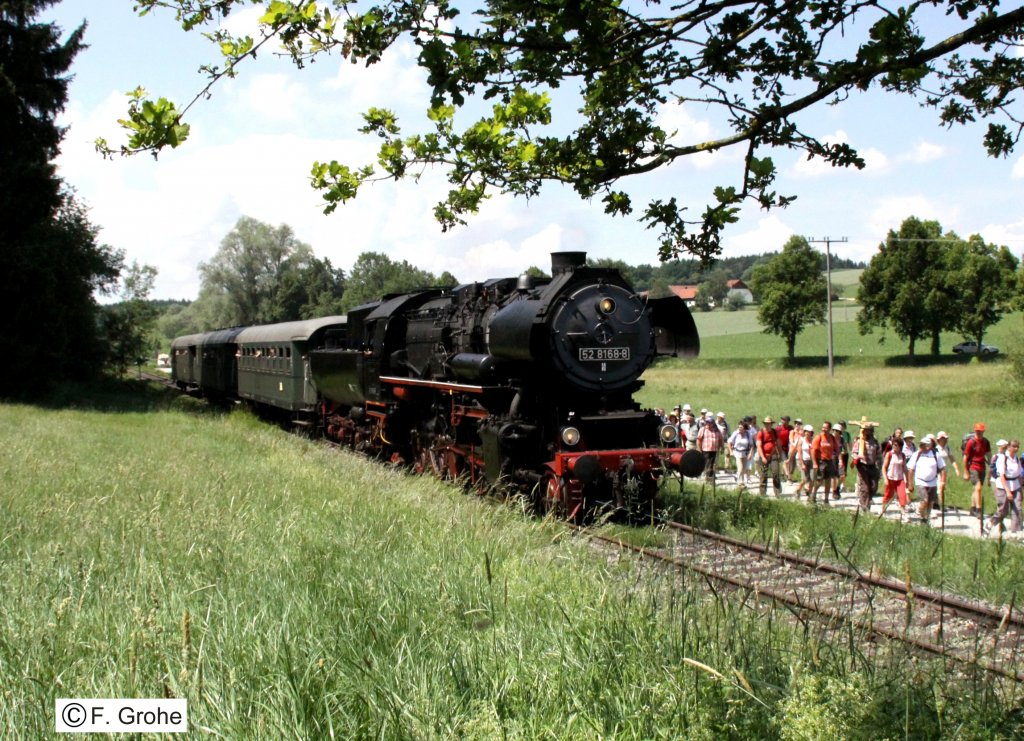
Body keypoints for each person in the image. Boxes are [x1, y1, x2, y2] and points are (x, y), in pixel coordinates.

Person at [907, 434, 946, 524]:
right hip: (920, 481)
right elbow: (910, 469)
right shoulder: (916, 454)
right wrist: (910, 483)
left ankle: (925, 519)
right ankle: (920, 514)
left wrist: (943, 481)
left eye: (923, 445)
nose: (921, 446)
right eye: (921, 444)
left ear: (929, 446)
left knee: (930, 502)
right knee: (925, 500)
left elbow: (942, 468)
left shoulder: (936, 455)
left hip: (932, 482)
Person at [850, 421, 882, 512]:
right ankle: (865, 506)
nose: (867, 432)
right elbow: (854, 453)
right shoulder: (859, 441)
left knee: (873, 487)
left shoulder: (875, 442)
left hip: (872, 466)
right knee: (865, 488)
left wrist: (879, 468)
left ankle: (867, 501)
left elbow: (879, 456)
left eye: (869, 430)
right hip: (862, 466)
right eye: (865, 430)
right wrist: (858, 457)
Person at [962, 422, 991, 517]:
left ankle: (972, 508)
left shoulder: (986, 442)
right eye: (978, 431)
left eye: (981, 431)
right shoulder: (971, 442)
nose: (979, 433)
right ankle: (979, 510)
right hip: (973, 467)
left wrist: (991, 465)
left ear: (983, 431)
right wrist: (965, 471)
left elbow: (988, 454)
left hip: (982, 467)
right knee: (978, 487)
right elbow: (965, 457)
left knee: (977, 489)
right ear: (975, 430)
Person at [879, 437, 908, 517]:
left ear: (899, 446)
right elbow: (884, 467)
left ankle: (903, 512)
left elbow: (905, 468)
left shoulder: (902, 455)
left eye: (896, 445)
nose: (894, 446)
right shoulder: (889, 454)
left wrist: (908, 480)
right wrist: (885, 478)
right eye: (893, 445)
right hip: (890, 478)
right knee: (888, 495)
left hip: (899, 479)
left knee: (902, 495)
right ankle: (883, 508)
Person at [810, 421, 837, 505]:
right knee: (820, 480)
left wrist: (837, 456)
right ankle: (813, 494)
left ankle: (826, 499)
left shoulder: (832, 438)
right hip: (821, 461)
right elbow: (813, 450)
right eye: (823, 427)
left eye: (825, 428)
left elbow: (836, 448)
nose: (824, 429)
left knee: (828, 480)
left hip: (829, 461)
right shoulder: (819, 437)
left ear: (829, 429)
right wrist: (814, 463)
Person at [756, 416, 783, 496]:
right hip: (764, 456)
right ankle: (763, 493)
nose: (768, 425)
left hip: (773, 455)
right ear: (764, 424)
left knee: (776, 473)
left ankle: (777, 492)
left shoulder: (774, 432)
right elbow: (759, 446)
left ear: (771, 424)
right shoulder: (761, 432)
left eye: (769, 424)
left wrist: (780, 455)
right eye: (766, 424)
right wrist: (763, 457)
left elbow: (778, 444)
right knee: (763, 475)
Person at [788, 424, 815, 499]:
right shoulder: (801, 440)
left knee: (812, 479)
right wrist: (802, 464)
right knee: (805, 479)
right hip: (803, 460)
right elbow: (799, 453)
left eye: (810, 432)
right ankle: (797, 490)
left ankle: (810, 494)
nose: (808, 433)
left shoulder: (812, 441)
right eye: (806, 431)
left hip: (811, 461)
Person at [696, 413, 723, 482]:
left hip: (714, 450)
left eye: (709, 422)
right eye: (707, 422)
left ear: (712, 423)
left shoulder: (717, 430)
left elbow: (720, 439)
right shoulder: (703, 429)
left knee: (713, 463)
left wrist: (721, 447)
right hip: (706, 450)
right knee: (707, 463)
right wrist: (699, 449)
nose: (707, 424)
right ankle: (707, 476)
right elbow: (699, 440)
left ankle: (711, 476)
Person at [728, 420, 752, 488]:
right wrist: (731, 451)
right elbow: (729, 442)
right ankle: (740, 482)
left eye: (741, 427)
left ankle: (738, 478)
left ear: (744, 428)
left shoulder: (748, 434)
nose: (739, 429)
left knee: (743, 469)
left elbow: (751, 445)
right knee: (740, 467)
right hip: (737, 452)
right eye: (739, 427)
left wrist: (750, 453)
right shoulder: (736, 433)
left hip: (745, 453)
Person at [776, 415, 794, 481]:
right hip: (780, 447)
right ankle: (788, 475)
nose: (782, 421)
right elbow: (776, 437)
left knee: (788, 461)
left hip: (788, 447)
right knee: (784, 460)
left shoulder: (790, 428)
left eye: (784, 420)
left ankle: (783, 475)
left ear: (788, 421)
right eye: (782, 420)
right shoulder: (778, 428)